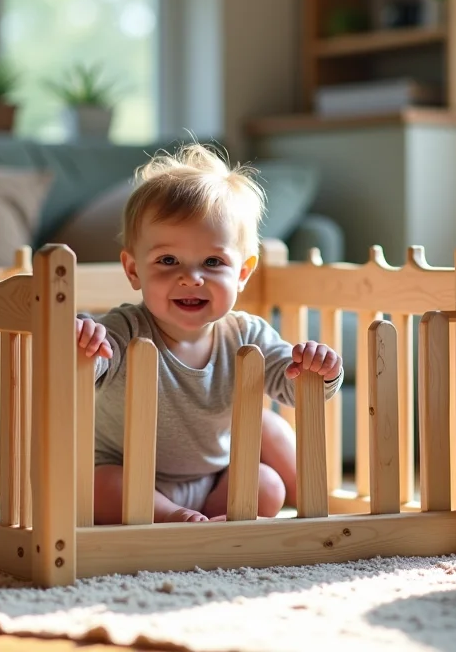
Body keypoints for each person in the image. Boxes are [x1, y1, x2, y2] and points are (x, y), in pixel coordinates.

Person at [73, 143, 343, 523]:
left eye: (213, 262)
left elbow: (291, 385)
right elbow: (91, 364)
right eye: (168, 261)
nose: (191, 277)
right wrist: (82, 345)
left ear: (243, 273)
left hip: (214, 477)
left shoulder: (248, 335)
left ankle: (217, 520)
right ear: (134, 270)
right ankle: (170, 518)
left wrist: (318, 370)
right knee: (99, 488)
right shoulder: (124, 329)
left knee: (267, 487)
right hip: (133, 477)